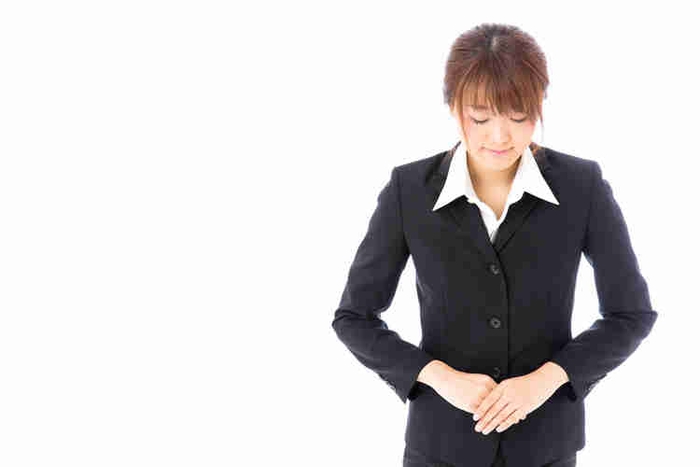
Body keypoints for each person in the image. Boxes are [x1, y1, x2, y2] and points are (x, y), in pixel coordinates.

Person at [331, 23, 658, 467]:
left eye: (518, 116)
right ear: (453, 107)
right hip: (439, 447)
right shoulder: (409, 190)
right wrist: (438, 376)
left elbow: (631, 313)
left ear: (539, 104)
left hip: (546, 447)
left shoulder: (582, 187)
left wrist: (548, 379)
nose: (500, 136)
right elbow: (354, 318)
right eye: (481, 117)